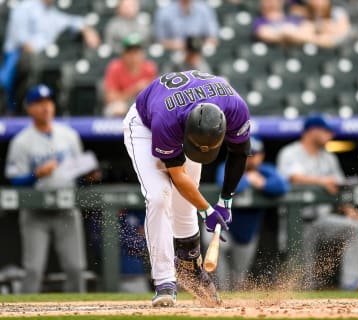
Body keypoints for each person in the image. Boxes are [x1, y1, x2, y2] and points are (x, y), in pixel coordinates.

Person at [123, 70, 251, 307]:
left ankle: (190, 268)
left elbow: (240, 152)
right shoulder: (166, 118)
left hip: (182, 117)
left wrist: (226, 202)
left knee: (185, 204)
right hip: (146, 126)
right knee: (159, 197)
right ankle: (164, 281)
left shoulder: (235, 107)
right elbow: (177, 175)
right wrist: (207, 211)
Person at [4, 84, 91, 293]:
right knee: (33, 269)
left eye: (48, 102)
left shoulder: (69, 135)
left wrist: (88, 175)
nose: (46, 108)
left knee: (75, 268)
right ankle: (23, 314)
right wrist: (36, 174)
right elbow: (14, 180)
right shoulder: (21, 141)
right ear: (30, 108)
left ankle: (79, 313)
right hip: (36, 212)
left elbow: (78, 173)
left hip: (66, 208)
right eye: (40, 103)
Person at [277, 114, 358, 291]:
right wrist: (322, 182)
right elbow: (292, 178)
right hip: (297, 224)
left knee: (355, 227)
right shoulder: (290, 152)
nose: (330, 135)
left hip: (322, 220)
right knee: (305, 285)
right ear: (312, 131)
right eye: (326, 131)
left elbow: (338, 186)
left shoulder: (329, 157)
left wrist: (349, 210)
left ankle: (351, 283)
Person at [212, 136, 290, 291]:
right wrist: (249, 178)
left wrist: (264, 183)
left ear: (261, 155)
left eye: (255, 154)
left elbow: (283, 186)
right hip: (222, 228)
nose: (251, 158)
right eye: (247, 154)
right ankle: (220, 290)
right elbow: (225, 182)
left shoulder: (265, 170)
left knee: (239, 277)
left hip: (247, 234)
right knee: (213, 243)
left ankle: (231, 302)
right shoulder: (227, 166)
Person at [0, 0, 100, 114]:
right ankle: (14, 110)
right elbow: (23, 43)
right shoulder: (24, 8)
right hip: (17, 56)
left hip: (43, 55)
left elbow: (68, 21)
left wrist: (86, 29)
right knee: (27, 66)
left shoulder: (49, 10)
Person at [103, 34, 158, 117]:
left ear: (142, 53)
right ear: (123, 54)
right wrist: (134, 90)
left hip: (143, 106)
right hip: (123, 104)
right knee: (118, 108)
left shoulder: (149, 68)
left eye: (136, 52)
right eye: (129, 52)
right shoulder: (115, 67)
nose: (133, 56)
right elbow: (110, 98)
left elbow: (156, 97)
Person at [153, 0, 219, 51]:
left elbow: (213, 39)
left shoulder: (205, 10)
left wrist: (194, 45)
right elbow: (160, 42)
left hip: (199, 54)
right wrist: (187, 45)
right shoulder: (164, 12)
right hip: (174, 55)